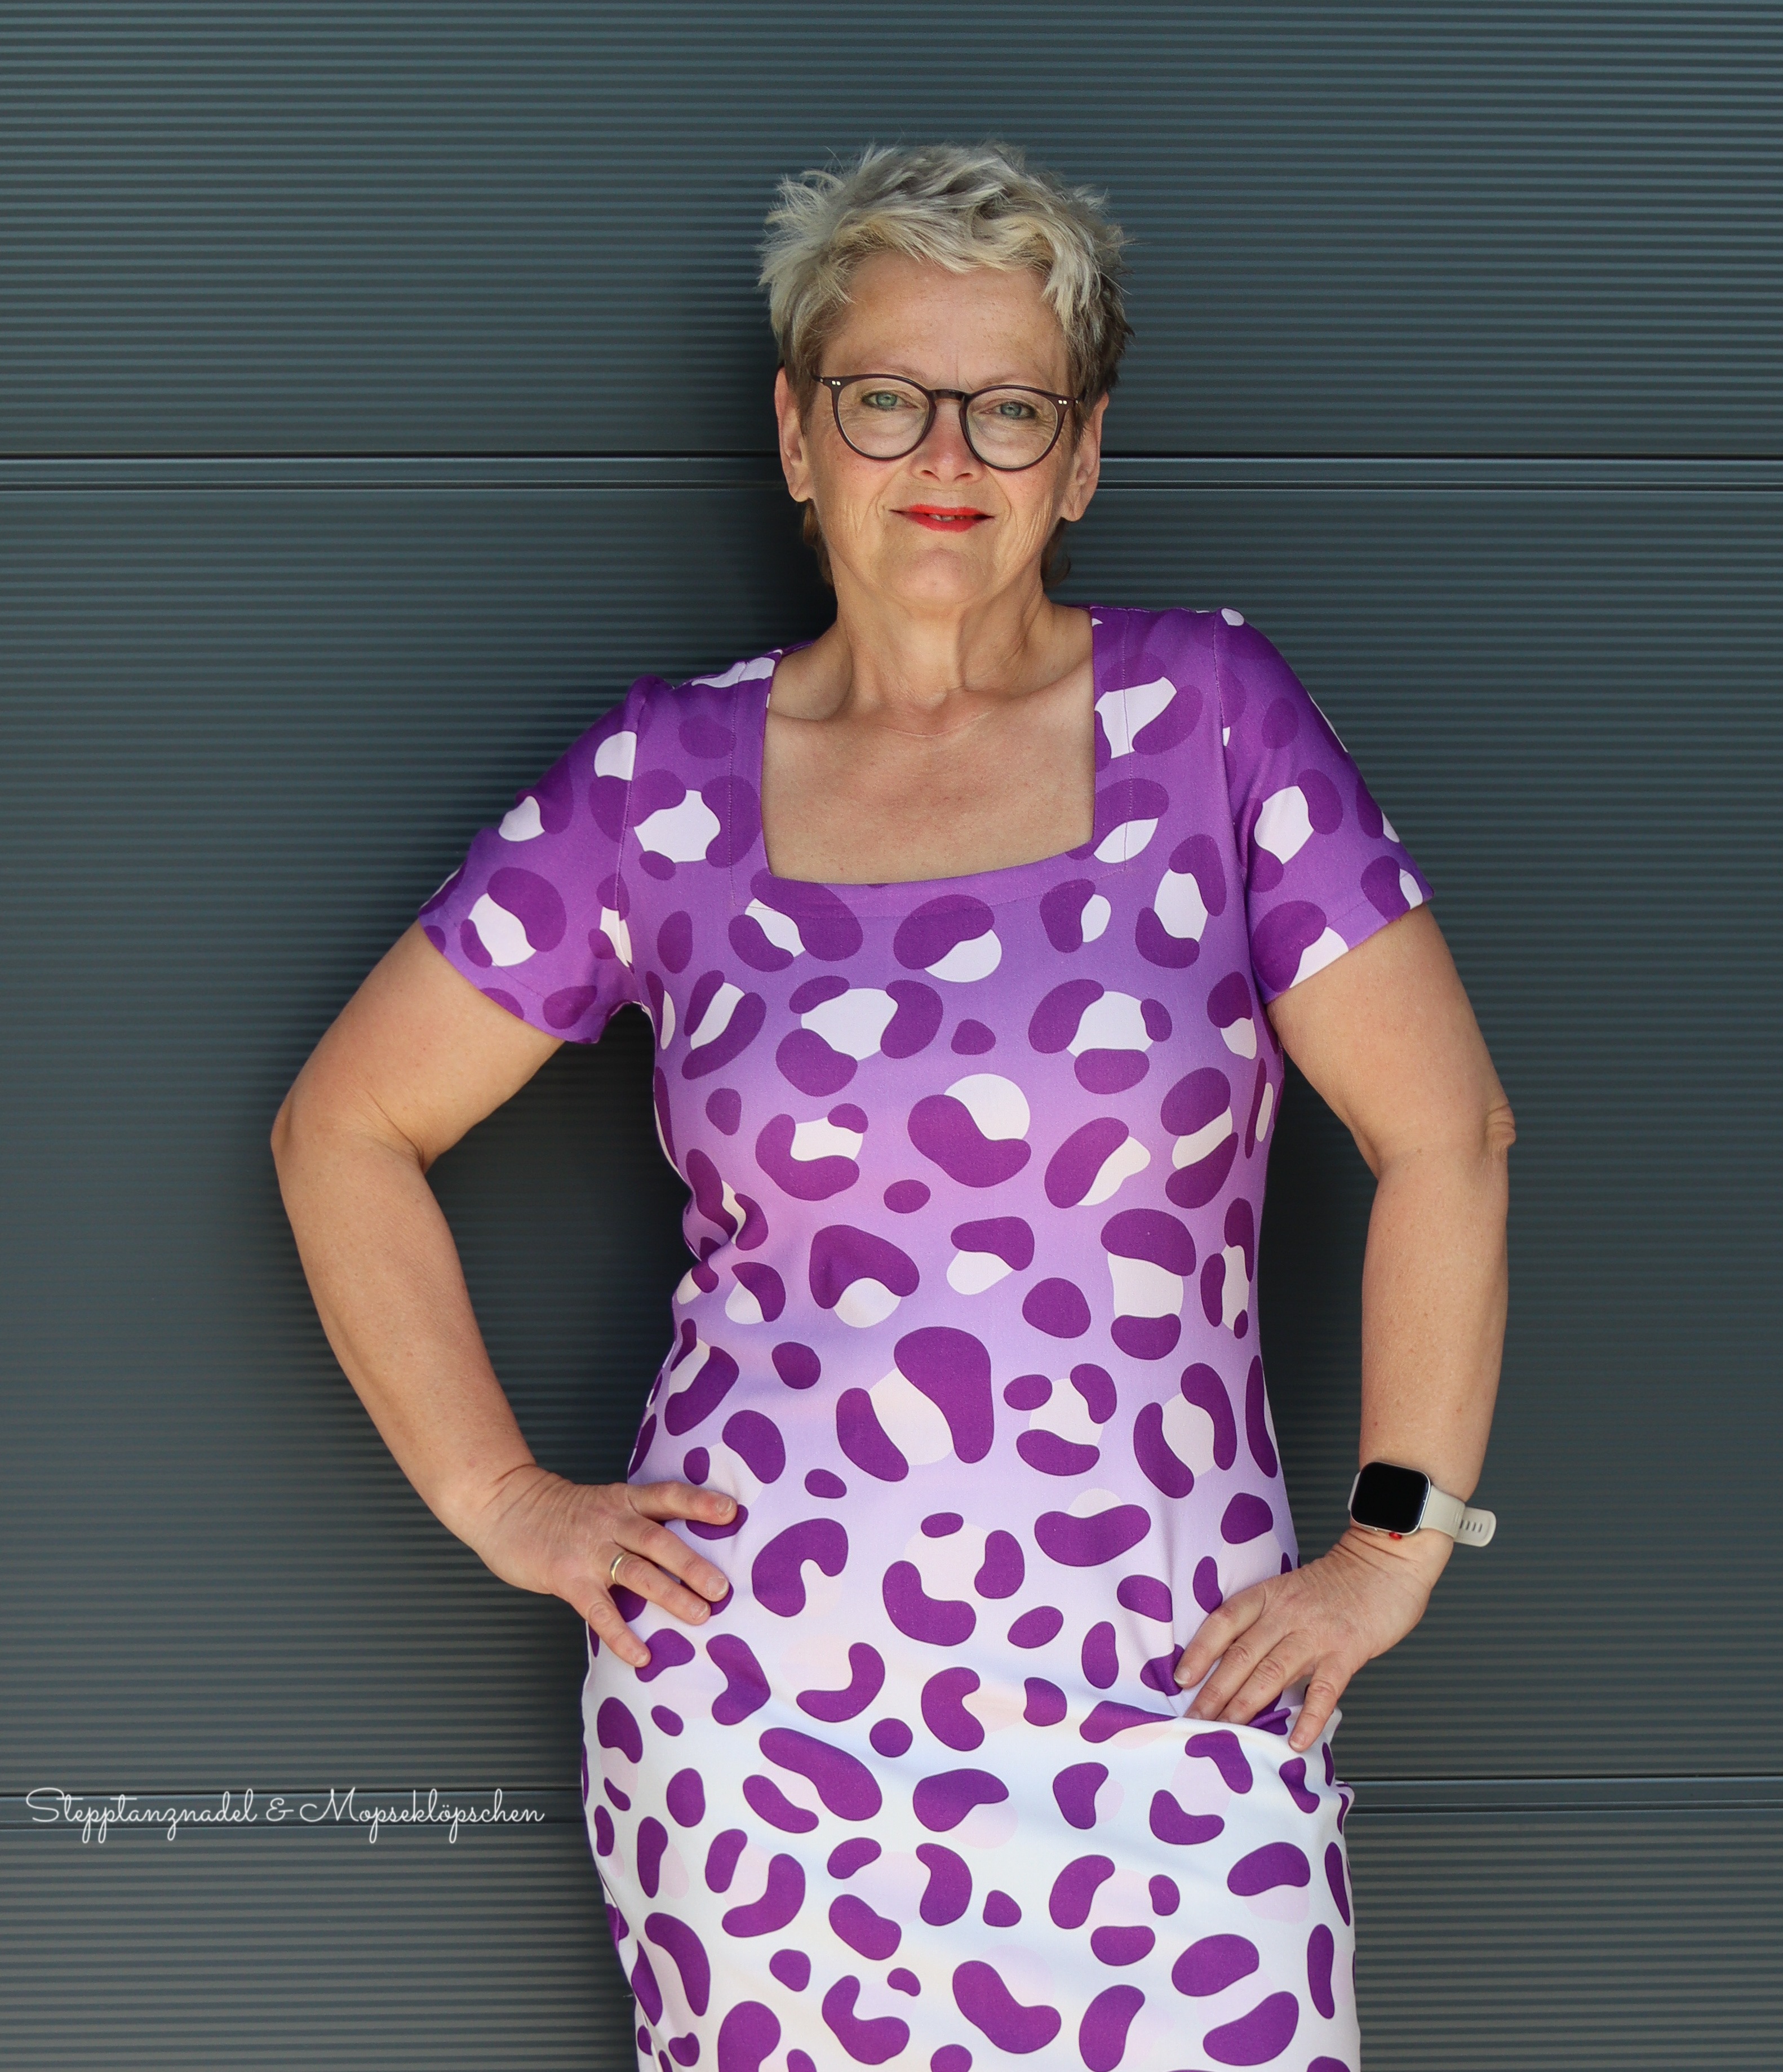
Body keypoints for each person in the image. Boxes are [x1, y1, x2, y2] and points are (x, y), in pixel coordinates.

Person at [273, 141, 1511, 2072]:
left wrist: (1388, 1552)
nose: (946, 452)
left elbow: (1449, 1137)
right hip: (754, 1724)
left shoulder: (1210, 722)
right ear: (797, 433)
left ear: (1079, 458)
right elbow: (343, 1130)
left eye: (1010, 406)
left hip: (1174, 1689)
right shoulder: (657, 782)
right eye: (886, 398)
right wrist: (499, 1500)